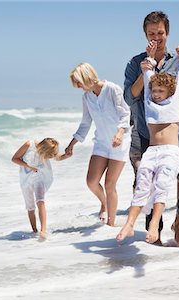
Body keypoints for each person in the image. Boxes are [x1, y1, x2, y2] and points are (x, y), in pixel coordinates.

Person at [123, 11, 179, 246]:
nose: (156, 38)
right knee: (149, 183)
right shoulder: (135, 63)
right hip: (148, 134)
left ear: (167, 33)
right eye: (152, 34)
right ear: (145, 34)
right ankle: (155, 234)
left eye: (160, 33)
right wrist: (144, 71)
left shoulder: (177, 59)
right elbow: (129, 98)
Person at [117, 44, 179, 244]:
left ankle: (154, 224)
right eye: (155, 90)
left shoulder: (177, 98)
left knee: (162, 184)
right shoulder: (149, 101)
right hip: (151, 150)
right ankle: (129, 223)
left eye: (160, 91)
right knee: (142, 184)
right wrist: (149, 58)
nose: (156, 93)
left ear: (169, 91)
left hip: (170, 152)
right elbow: (148, 73)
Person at [65, 62, 131, 226]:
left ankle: (111, 224)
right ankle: (104, 203)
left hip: (119, 143)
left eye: (79, 83)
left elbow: (125, 114)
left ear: (86, 77)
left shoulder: (112, 89)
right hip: (101, 143)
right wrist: (72, 143)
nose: (79, 87)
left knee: (110, 184)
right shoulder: (87, 97)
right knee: (91, 181)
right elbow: (85, 123)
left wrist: (120, 133)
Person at [12, 138, 70, 239]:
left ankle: (43, 231)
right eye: (48, 155)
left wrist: (67, 156)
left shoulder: (48, 149)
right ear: (44, 150)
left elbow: (57, 157)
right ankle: (34, 231)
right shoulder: (28, 145)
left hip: (40, 176)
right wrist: (28, 166)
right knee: (30, 206)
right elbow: (14, 158)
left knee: (40, 201)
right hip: (26, 179)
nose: (49, 157)